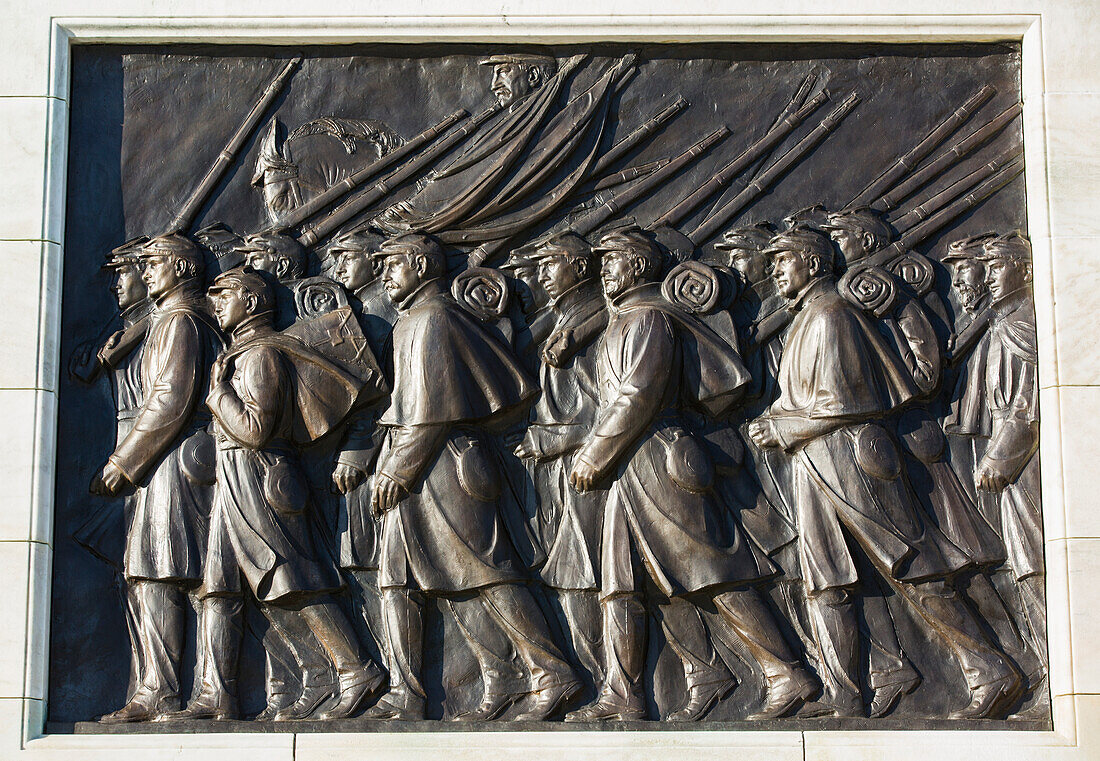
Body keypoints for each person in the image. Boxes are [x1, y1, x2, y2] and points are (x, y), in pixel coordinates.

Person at [748, 227, 1022, 719]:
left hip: (852, 458)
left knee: (914, 567)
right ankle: (846, 695)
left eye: (783, 259)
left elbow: (849, 401)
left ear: (813, 264)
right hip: (816, 462)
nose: (774, 270)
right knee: (827, 580)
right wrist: (777, 419)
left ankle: (993, 671)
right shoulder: (808, 316)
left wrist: (785, 426)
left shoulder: (832, 316)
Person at [565, 228, 818, 723]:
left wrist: (594, 454)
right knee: (625, 583)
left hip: (657, 459)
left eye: (612, 260)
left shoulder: (648, 320)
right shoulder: (626, 320)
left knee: (711, 572)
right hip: (630, 465)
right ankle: (628, 692)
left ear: (637, 267)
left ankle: (787, 672)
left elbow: (637, 395)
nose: (603, 270)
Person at [363, 233, 579, 722]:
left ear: (420, 264)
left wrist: (397, 469)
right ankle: (485, 680)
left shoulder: (433, 319)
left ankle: (551, 671)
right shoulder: (412, 320)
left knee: (485, 572)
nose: (384, 274)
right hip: (420, 465)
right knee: (421, 578)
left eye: (392, 263)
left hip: (441, 465)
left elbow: (431, 411)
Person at [177, 266, 385, 721]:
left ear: (250, 303)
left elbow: (254, 430)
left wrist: (217, 396)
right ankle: (218, 692)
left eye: (223, 295)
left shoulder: (261, 356)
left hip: (259, 475)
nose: (215, 304)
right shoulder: (240, 354)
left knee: (292, 578)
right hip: (235, 478)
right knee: (220, 586)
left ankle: (357, 670)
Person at [90, 233, 222, 723]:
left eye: (155, 264)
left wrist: (123, 462)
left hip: (173, 461)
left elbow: (169, 399)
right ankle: (170, 688)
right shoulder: (177, 317)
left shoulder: (180, 320)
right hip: (174, 460)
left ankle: (164, 690)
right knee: (164, 571)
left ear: (183, 269)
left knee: (159, 570)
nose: (146, 273)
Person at [513, 233, 608, 689]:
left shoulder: (594, 323)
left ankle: (608, 682)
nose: (542, 274)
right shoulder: (566, 318)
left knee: (585, 579)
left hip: (590, 469)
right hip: (561, 468)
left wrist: (553, 439)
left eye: (551, 264)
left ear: (582, 268)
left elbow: (608, 410)